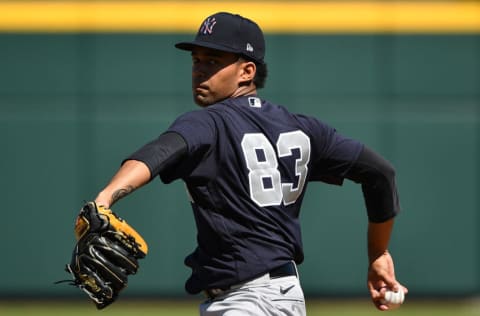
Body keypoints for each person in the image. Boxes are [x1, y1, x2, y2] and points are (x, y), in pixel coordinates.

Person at [93, 12, 407, 315]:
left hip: (246, 300)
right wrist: (379, 252)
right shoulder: (304, 128)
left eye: (213, 62)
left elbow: (159, 152)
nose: (200, 70)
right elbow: (380, 173)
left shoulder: (208, 124)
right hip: (283, 297)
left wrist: (105, 198)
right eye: (196, 60)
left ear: (247, 72)